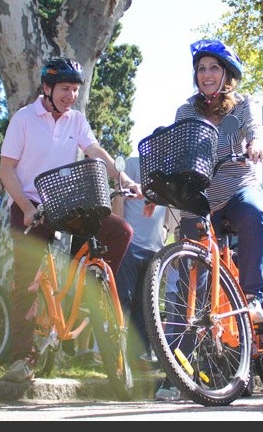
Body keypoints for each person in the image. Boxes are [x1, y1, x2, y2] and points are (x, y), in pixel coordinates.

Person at [0, 56, 138, 383]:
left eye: (75, 89)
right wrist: (26, 206)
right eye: (65, 88)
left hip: (66, 201)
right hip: (30, 203)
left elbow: (95, 152)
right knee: (27, 279)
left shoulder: (76, 120)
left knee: (120, 232)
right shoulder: (24, 119)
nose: (70, 95)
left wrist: (124, 180)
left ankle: (89, 291)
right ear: (47, 88)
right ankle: (23, 359)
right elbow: (6, 169)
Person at [154, 39, 263, 401]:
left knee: (253, 211)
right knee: (190, 280)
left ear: (227, 74)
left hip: (238, 186)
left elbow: (256, 130)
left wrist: (255, 146)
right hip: (201, 198)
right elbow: (176, 149)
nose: (206, 74)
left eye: (213, 68)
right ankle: (177, 369)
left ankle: (252, 297)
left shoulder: (243, 105)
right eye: (201, 69)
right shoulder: (186, 111)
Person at [111, 156, 170, 372]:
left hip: (154, 250)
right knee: (122, 301)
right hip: (130, 245)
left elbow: (168, 214)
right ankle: (115, 355)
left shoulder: (168, 175)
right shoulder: (132, 165)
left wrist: (165, 234)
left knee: (145, 306)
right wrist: (119, 235)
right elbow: (118, 196)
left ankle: (139, 357)